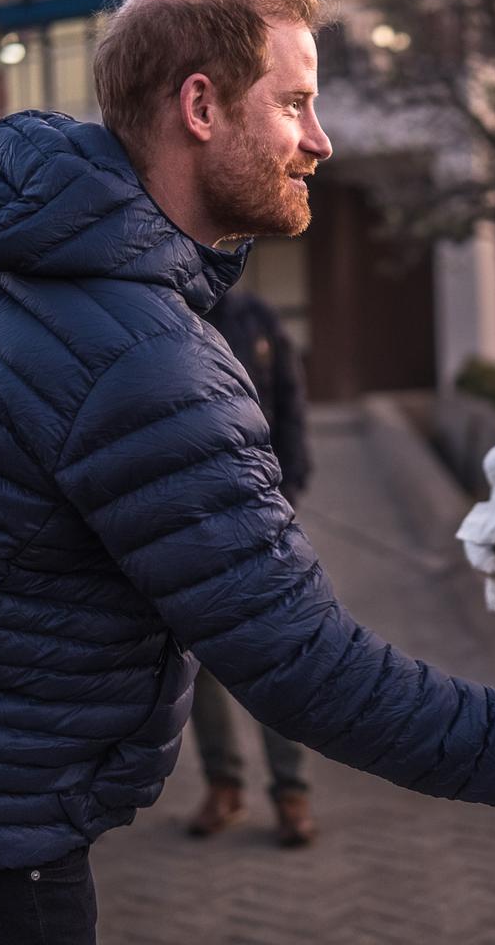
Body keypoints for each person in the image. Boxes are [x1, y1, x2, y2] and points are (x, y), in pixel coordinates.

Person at [0, 0, 495, 944]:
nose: (323, 139)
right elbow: (307, 666)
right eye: (297, 102)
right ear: (200, 105)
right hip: (9, 859)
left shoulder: (16, 270)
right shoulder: (147, 361)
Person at [188, 290, 315, 845]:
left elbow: (290, 403)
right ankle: (224, 785)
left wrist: (287, 495)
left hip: (263, 517)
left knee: (275, 653)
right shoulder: (163, 307)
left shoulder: (257, 316)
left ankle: (291, 793)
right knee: (201, 663)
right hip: (185, 521)